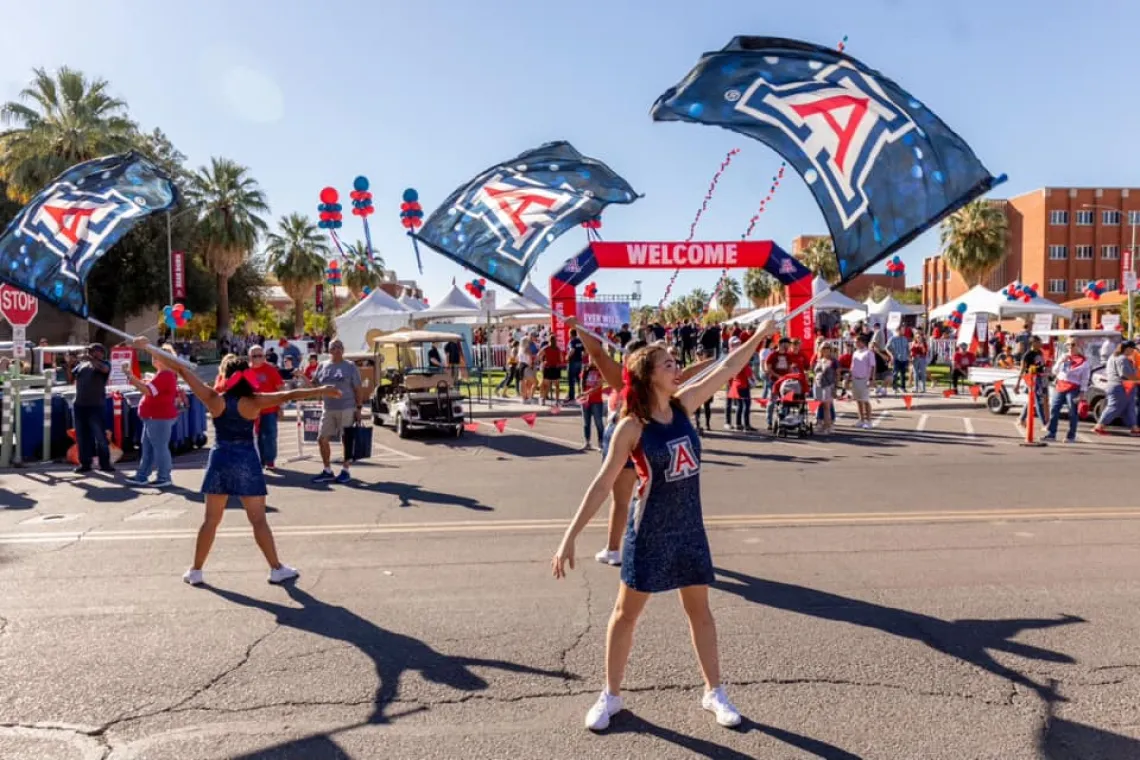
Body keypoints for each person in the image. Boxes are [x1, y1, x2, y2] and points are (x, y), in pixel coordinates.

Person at [551, 321, 777, 732]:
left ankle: (714, 692)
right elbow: (602, 483)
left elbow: (726, 369)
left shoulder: (684, 406)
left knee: (700, 612)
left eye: (676, 362)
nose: (678, 369)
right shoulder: (631, 426)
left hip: (689, 529)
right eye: (669, 364)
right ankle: (611, 696)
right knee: (624, 616)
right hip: (650, 531)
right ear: (648, 375)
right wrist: (570, 537)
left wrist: (760, 335)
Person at [154, 339, 341, 586]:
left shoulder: (214, 398)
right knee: (258, 519)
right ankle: (276, 569)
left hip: (220, 459)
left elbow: (183, 371)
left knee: (211, 520)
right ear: (246, 376)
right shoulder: (254, 401)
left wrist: (149, 348)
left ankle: (196, 570)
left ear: (225, 375)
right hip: (245, 461)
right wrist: (323, 390)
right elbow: (289, 394)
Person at [123, 344, 180, 488]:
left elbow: (148, 391)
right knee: (148, 447)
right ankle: (142, 475)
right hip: (154, 417)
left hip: (159, 417)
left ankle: (163, 476)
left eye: (157, 357)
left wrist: (131, 377)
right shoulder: (164, 374)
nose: (154, 359)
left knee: (159, 447)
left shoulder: (165, 375)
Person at [311, 339, 364, 484]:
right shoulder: (322, 366)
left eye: (340, 346)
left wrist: (359, 409)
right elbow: (314, 385)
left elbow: (358, 388)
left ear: (343, 350)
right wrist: (301, 376)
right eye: (334, 347)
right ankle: (327, 470)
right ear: (329, 350)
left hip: (346, 407)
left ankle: (345, 470)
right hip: (328, 408)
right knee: (322, 439)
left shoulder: (350, 366)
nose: (337, 349)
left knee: (346, 439)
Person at [67, 343, 113, 474]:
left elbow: (104, 370)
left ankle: (105, 463)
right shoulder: (82, 365)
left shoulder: (105, 364)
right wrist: (70, 364)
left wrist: (91, 359)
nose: (91, 353)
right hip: (80, 405)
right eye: (90, 351)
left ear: (101, 353)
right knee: (82, 436)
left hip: (96, 405)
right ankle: (85, 463)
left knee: (100, 436)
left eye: (93, 351)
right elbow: (71, 379)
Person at [1044, 339, 1091, 443]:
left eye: (1072, 344)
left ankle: (1071, 436)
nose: (1070, 347)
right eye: (1068, 345)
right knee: (1054, 409)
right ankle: (1051, 434)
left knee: (1072, 413)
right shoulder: (1064, 356)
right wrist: (1061, 361)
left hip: (1073, 388)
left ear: (1078, 346)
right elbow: (1054, 371)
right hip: (1060, 385)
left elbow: (1085, 379)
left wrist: (1082, 394)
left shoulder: (1084, 362)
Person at [1092, 341, 1140, 436]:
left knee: (1129, 407)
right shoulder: (1122, 359)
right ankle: (1099, 426)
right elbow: (1125, 374)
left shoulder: (1113, 357)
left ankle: (1135, 428)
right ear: (1127, 349)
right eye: (1132, 349)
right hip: (1120, 386)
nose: (1133, 351)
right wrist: (1138, 379)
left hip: (1123, 386)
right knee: (1114, 407)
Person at [248, 345, 284, 470]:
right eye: (255, 356)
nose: (258, 358)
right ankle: (260, 460)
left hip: (270, 410)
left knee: (270, 435)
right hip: (252, 410)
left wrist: (280, 407)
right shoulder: (246, 371)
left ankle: (270, 460)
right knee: (255, 437)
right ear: (250, 357)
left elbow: (280, 389)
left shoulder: (270, 369)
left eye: (260, 355)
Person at [1017, 336, 1048, 428]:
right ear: (1033, 343)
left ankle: (1021, 419)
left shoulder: (1040, 352)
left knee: (1032, 400)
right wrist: (1017, 384)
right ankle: (1044, 424)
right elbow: (1022, 370)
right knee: (1038, 400)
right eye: (1039, 342)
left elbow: (1041, 366)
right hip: (1031, 380)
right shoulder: (1027, 355)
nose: (1041, 344)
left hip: (1040, 379)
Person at [579, 355, 605, 449]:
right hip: (586, 401)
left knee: (599, 422)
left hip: (596, 401)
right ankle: (587, 442)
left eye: (593, 358)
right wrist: (582, 393)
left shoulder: (600, 370)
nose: (591, 360)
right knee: (586, 423)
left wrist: (586, 393)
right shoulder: (586, 369)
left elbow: (598, 385)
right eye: (590, 358)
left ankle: (601, 443)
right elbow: (581, 381)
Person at [850, 335, 876, 429]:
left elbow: (873, 366)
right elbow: (852, 366)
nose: (855, 343)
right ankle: (861, 420)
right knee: (858, 400)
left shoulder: (869, 353)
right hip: (855, 379)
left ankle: (869, 421)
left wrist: (871, 379)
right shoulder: (855, 353)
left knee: (865, 400)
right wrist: (850, 377)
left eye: (856, 341)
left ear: (862, 342)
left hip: (865, 379)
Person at [814, 343, 838, 434]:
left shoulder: (833, 361)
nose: (826, 349)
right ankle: (823, 425)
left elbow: (837, 374)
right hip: (818, 385)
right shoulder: (819, 360)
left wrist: (835, 387)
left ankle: (827, 427)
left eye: (828, 347)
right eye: (824, 348)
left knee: (827, 407)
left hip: (828, 385)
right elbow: (815, 373)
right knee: (821, 405)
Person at [887, 327, 910, 393]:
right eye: (902, 330)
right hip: (896, 359)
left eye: (903, 330)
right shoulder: (892, 339)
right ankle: (895, 388)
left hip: (904, 359)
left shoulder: (905, 339)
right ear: (897, 331)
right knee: (895, 374)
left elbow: (907, 348)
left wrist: (909, 357)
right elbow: (887, 348)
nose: (903, 331)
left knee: (903, 374)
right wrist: (891, 355)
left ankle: (903, 388)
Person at [566, 330, 585, 401]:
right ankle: (581, 394)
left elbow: (572, 350)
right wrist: (582, 356)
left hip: (573, 362)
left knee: (571, 380)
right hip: (579, 362)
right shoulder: (579, 341)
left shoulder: (572, 341)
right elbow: (584, 350)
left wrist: (568, 356)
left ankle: (571, 396)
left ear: (570, 334)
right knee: (579, 379)